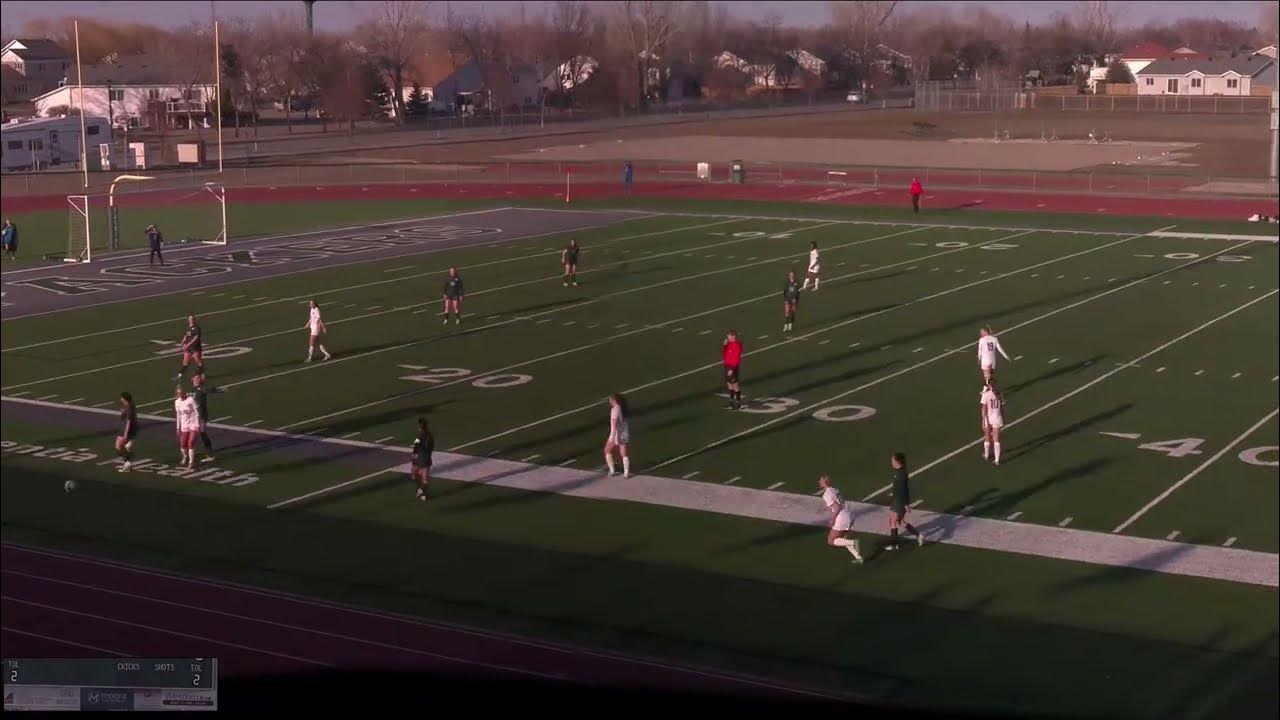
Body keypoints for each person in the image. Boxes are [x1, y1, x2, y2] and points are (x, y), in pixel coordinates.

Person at [819, 475, 864, 564]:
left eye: (821, 480)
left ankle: (853, 542)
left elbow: (836, 507)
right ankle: (858, 557)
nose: (819, 482)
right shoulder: (836, 490)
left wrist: (832, 519)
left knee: (831, 541)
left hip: (841, 518)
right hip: (849, 515)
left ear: (825, 483)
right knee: (843, 539)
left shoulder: (826, 494)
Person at [887, 452, 925, 550]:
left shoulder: (900, 474)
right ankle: (918, 535)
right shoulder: (900, 472)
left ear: (898, 461)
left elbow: (903, 489)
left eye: (893, 460)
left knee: (893, 521)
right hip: (898, 500)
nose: (891, 462)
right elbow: (900, 488)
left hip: (899, 502)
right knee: (900, 522)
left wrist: (905, 504)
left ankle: (893, 544)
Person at [191, 373, 222, 463]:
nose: (196, 380)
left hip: (201, 415)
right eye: (195, 378)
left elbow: (209, 389)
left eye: (198, 378)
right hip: (194, 416)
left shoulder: (201, 388)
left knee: (202, 433)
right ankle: (192, 451)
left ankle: (210, 454)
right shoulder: (194, 389)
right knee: (194, 434)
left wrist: (219, 390)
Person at [604, 393, 631, 478]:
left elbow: (614, 423)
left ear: (614, 400)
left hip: (616, 434)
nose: (609, 401)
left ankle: (612, 470)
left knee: (607, 450)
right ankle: (626, 473)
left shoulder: (615, 409)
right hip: (624, 433)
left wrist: (613, 436)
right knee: (624, 453)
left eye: (610, 400)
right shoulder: (622, 408)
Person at [173, 386, 200, 470]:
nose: (180, 394)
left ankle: (191, 462)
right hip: (184, 424)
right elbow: (178, 415)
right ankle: (185, 456)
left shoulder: (190, 400)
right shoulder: (177, 402)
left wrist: (198, 423)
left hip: (193, 423)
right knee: (183, 444)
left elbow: (197, 412)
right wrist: (178, 427)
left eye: (182, 393)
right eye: (179, 393)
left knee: (191, 443)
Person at [980, 379, 1005, 465]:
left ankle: (986, 455)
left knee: (987, 436)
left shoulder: (986, 394)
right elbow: (1002, 408)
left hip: (988, 418)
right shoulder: (999, 394)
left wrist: (984, 419)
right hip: (998, 418)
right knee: (996, 439)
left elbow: (983, 409)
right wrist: (1003, 419)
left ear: (989, 385)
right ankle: (997, 460)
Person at [175, 314, 204, 381]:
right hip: (188, 348)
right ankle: (179, 376)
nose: (192, 320)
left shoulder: (197, 327)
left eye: (193, 318)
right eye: (190, 318)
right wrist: (182, 342)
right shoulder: (188, 327)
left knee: (198, 362)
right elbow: (186, 335)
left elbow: (196, 337)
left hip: (195, 348)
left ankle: (199, 375)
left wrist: (188, 344)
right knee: (185, 362)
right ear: (188, 319)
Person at [411, 417, 434, 501]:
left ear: (420, 426)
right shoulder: (430, 435)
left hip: (420, 457)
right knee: (425, 478)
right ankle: (423, 494)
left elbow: (416, 445)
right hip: (426, 457)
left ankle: (419, 490)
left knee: (414, 474)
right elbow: (431, 447)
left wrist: (414, 455)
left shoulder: (419, 435)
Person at [115, 391, 138, 472]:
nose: (121, 399)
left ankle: (127, 463)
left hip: (126, 429)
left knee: (118, 446)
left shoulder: (128, 408)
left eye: (122, 398)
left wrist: (125, 434)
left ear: (125, 399)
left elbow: (129, 421)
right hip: (129, 429)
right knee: (126, 447)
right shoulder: (129, 406)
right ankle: (128, 463)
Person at [722, 330, 743, 410]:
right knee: (729, 384)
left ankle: (738, 403)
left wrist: (732, 369)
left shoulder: (737, 345)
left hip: (732, 367)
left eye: (729, 336)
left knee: (735, 385)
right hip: (727, 365)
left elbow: (736, 358)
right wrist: (724, 346)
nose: (727, 338)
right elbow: (725, 353)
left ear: (733, 336)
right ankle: (731, 401)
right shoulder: (729, 344)